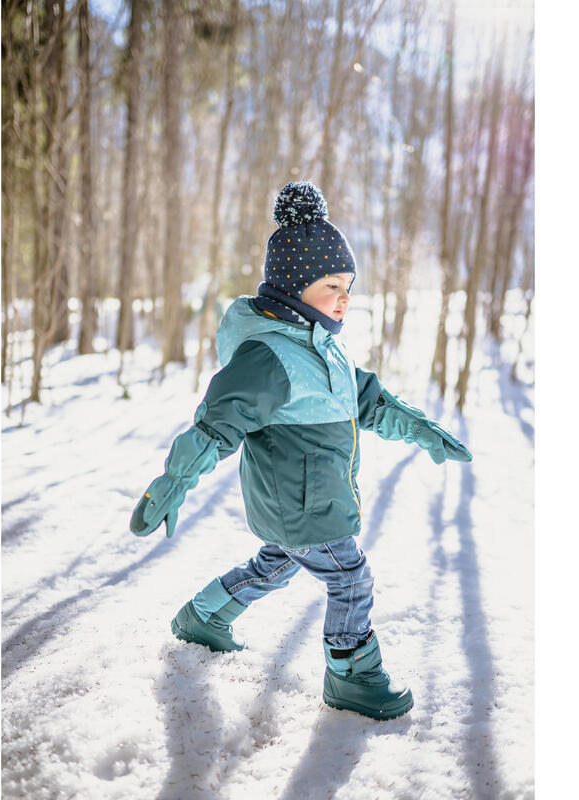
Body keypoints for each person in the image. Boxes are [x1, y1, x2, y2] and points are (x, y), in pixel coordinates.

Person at [130, 181, 472, 720]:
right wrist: (174, 481)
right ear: (293, 287)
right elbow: (216, 425)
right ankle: (351, 673)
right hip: (306, 508)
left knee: (274, 567)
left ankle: (203, 616)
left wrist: (422, 429)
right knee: (350, 577)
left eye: (348, 285)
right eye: (332, 284)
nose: (344, 297)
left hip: (297, 504)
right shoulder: (268, 358)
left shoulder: (320, 348)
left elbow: (368, 400)